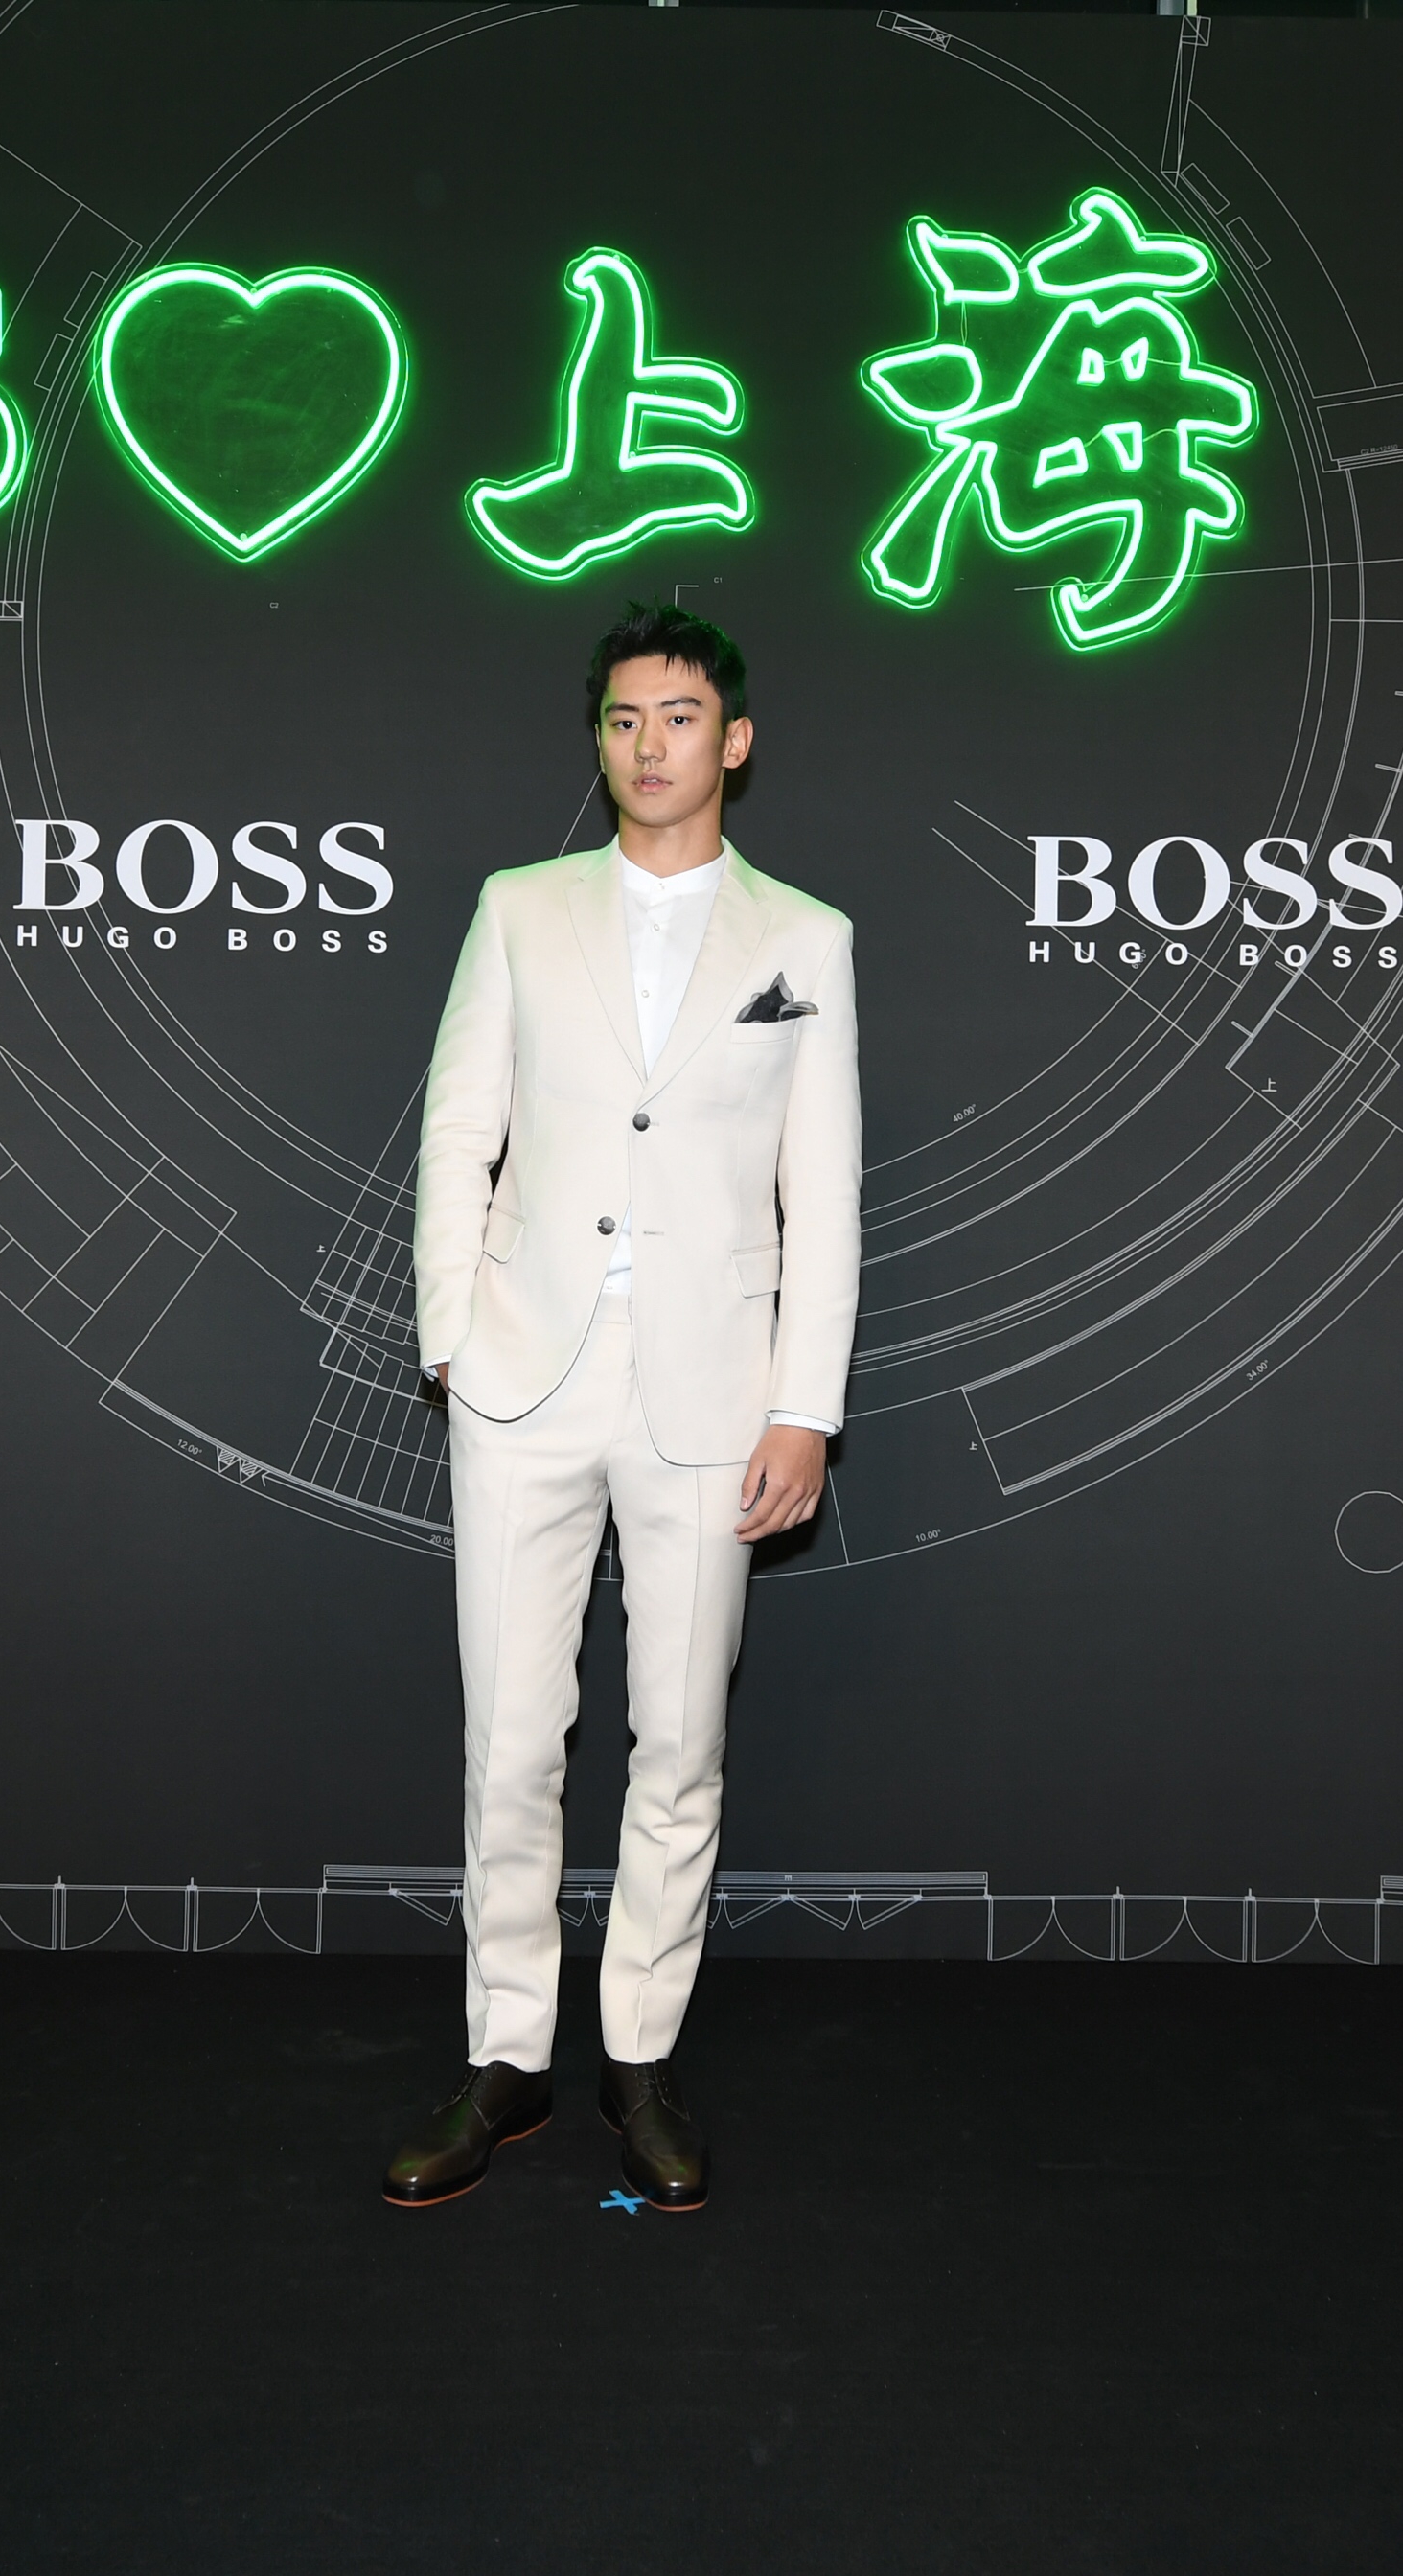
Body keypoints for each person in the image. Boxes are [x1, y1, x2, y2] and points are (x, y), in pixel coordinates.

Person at [380, 602, 861, 2212]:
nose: (649, 745)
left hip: (717, 1394)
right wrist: (452, 1333)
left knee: (682, 1743)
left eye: (680, 717)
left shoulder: (807, 939)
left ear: (736, 740)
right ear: (598, 741)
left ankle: (638, 2055)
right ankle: (506, 2055)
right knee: (511, 1741)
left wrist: (805, 1408)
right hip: (523, 1376)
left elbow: (823, 1194)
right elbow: (458, 1129)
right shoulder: (520, 908)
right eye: (623, 719)